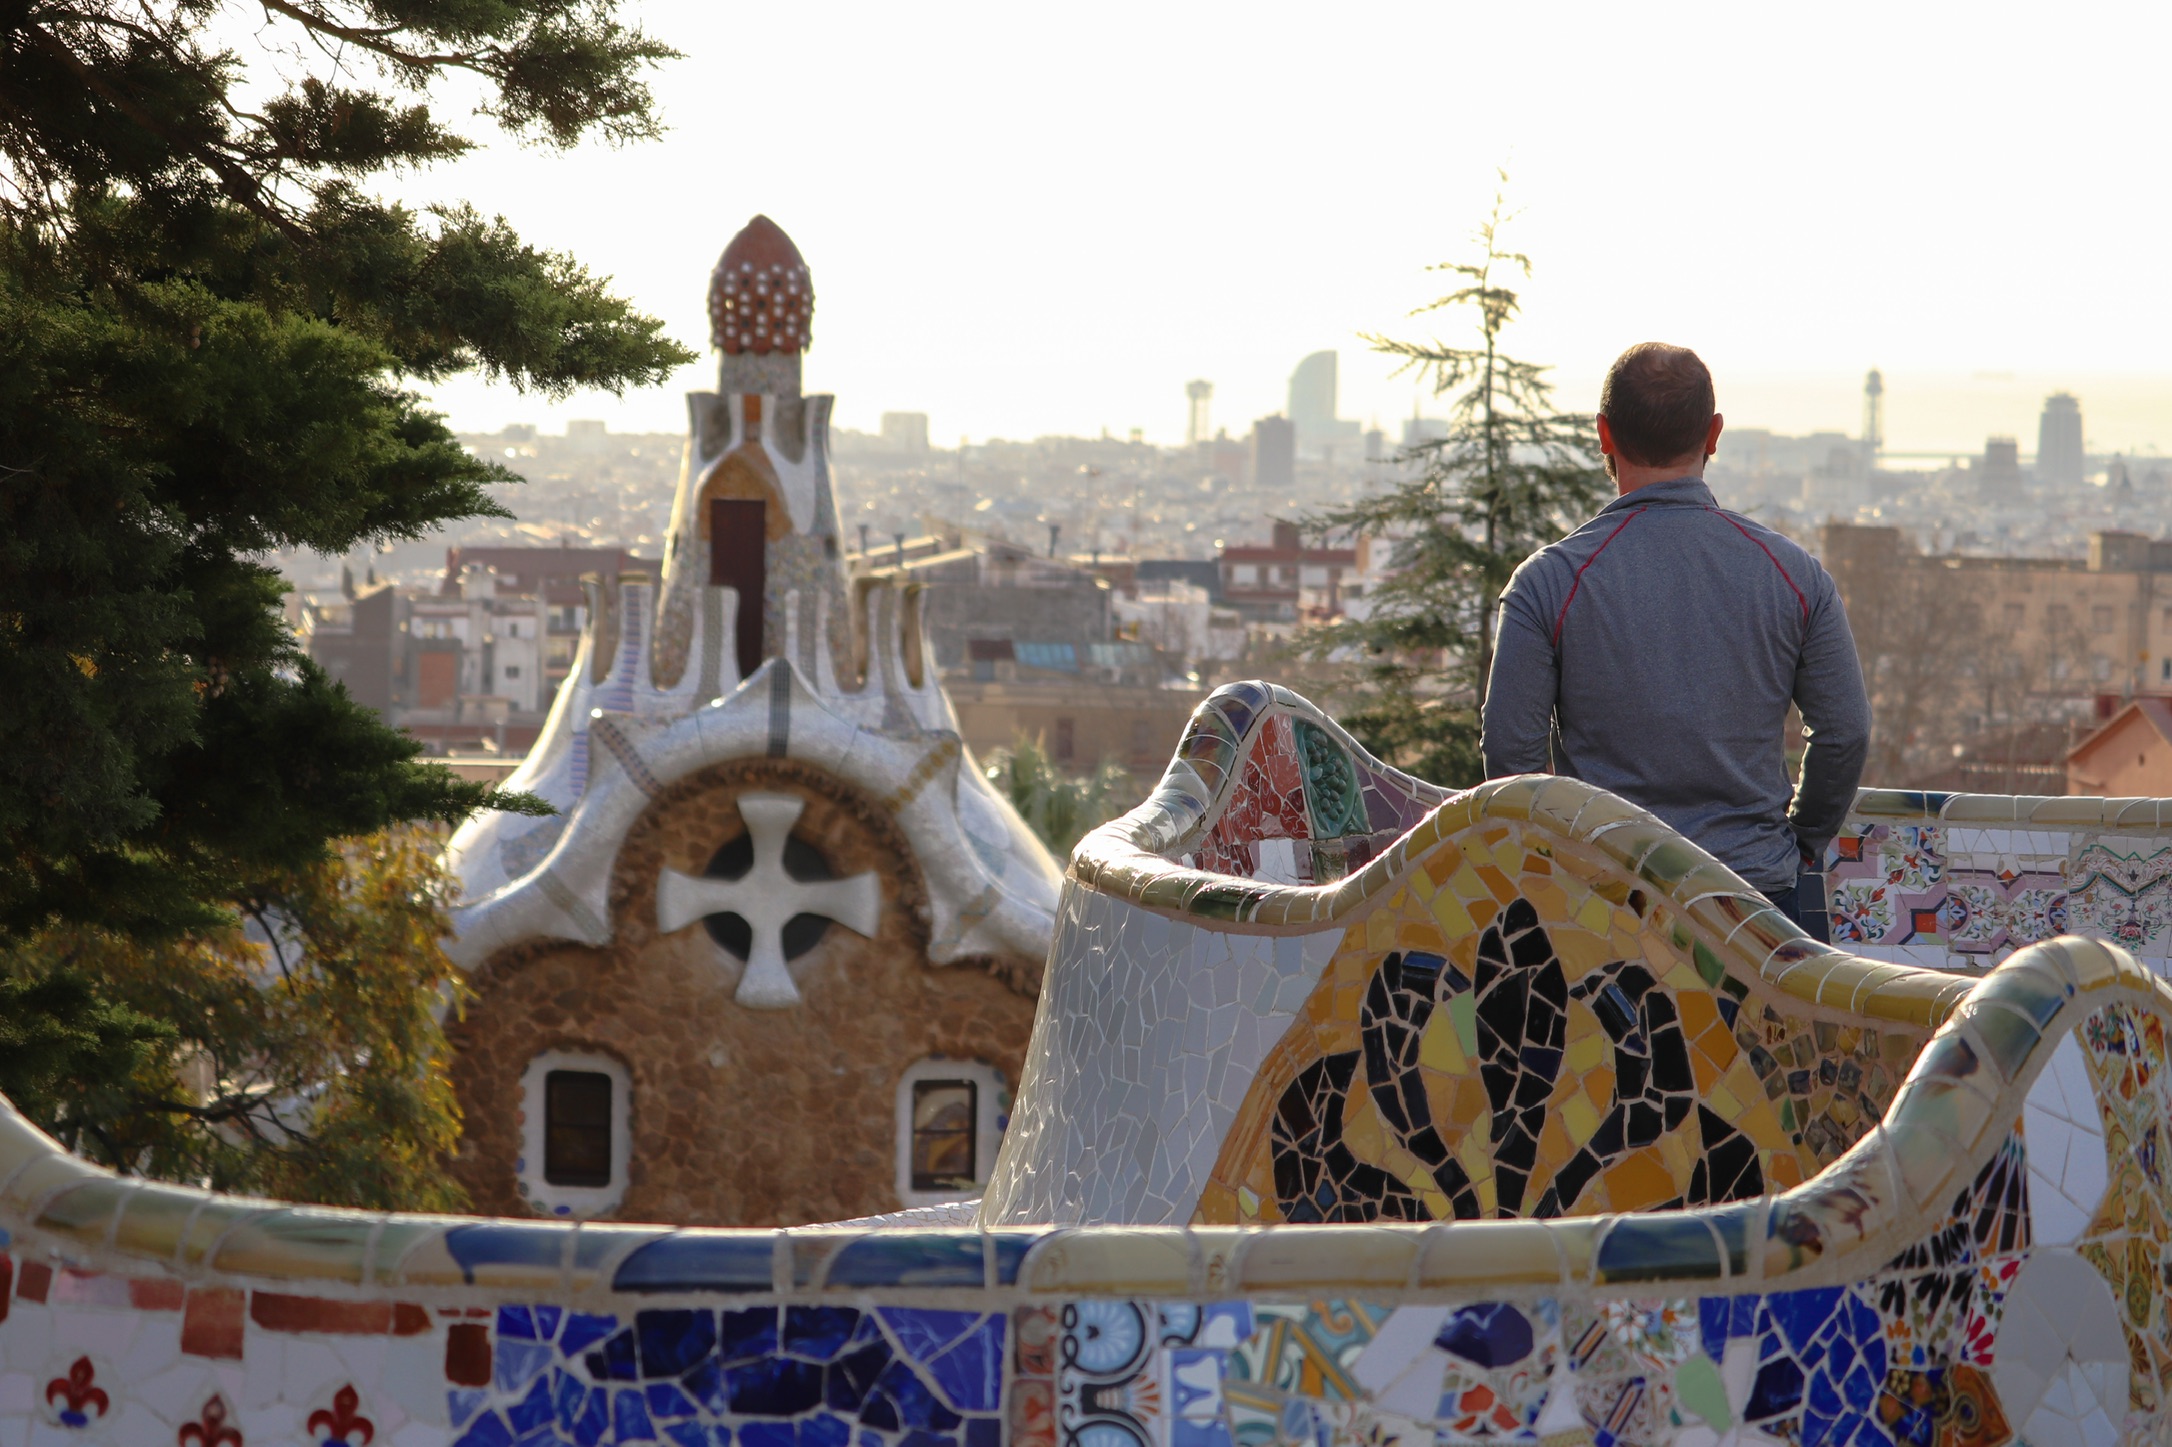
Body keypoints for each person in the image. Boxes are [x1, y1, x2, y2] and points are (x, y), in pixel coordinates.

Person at [1480, 343, 1870, 941]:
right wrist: (1802, 843)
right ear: (1713, 435)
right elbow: (1844, 731)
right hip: (1756, 899)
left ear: (1604, 435)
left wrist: (1554, 866)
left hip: (1599, 898)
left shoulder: (1549, 582)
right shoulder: (1793, 575)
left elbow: (1512, 755)